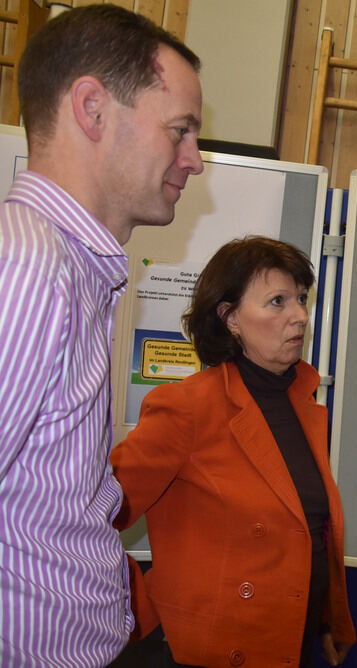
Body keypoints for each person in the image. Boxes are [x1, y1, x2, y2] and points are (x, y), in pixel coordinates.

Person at [0, 5, 203, 665]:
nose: (194, 161)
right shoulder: (28, 264)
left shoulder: (72, 265)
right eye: (180, 131)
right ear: (92, 108)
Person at [110, 237, 355, 667]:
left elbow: (310, 530)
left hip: (289, 642)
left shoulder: (304, 404)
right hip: (213, 650)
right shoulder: (185, 407)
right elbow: (86, 515)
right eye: (277, 301)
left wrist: (328, 618)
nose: (300, 315)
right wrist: (137, 609)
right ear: (230, 318)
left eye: (300, 298)